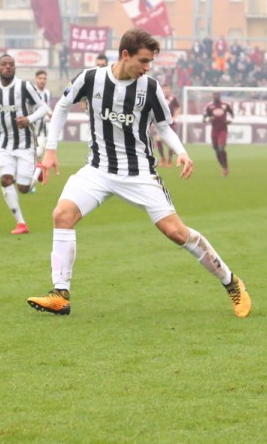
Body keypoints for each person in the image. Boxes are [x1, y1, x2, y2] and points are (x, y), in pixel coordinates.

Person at [26, 28, 251, 318]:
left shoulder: (150, 88)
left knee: (176, 232)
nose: (147, 68)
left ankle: (231, 282)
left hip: (139, 173)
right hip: (98, 169)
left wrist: (181, 152)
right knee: (62, 215)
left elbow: (164, 126)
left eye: (150, 63)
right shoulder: (91, 79)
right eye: (143, 61)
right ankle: (60, 294)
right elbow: (61, 107)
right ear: (125, 55)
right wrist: (51, 149)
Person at [0, 53, 49, 234]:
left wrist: (29, 118)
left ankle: (38, 168)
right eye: (4, 64)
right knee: (5, 179)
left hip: (25, 145)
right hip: (5, 145)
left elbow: (44, 108)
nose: (8, 67)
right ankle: (21, 224)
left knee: (23, 188)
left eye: (11, 64)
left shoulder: (25, 87)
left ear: (15, 68)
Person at [203, 91, 234, 177]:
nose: (216, 96)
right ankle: (224, 167)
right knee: (216, 150)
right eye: (214, 94)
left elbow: (232, 114)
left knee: (221, 148)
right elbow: (204, 119)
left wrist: (230, 120)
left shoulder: (225, 105)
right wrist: (208, 119)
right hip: (214, 131)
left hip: (223, 130)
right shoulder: (209, 106)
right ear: (212, 96)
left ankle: (225, 166)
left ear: (220, 96)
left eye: (217, 94)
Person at [154, 83, 181, 167]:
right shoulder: (159, 98)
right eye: (165, 89)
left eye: (168, 88)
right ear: (162, 89)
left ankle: (169, 160)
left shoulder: (173, 98)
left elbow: (178, 107)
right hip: (161, 123)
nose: (166, 90)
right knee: (158, 139)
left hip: (171, 123)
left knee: (171, 141)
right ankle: (162, 158)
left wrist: (175, 116)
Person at [32, 69, 52, 161]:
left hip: (41, 128)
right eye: (40, 78)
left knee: (38, 153)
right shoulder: (31, 91)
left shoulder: (47, 93)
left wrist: (50, 113)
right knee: (31, 153)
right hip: (30, 127)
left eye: (44, 78)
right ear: (36, 79)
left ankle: (34, 172)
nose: (42, 80)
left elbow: (46, 107)